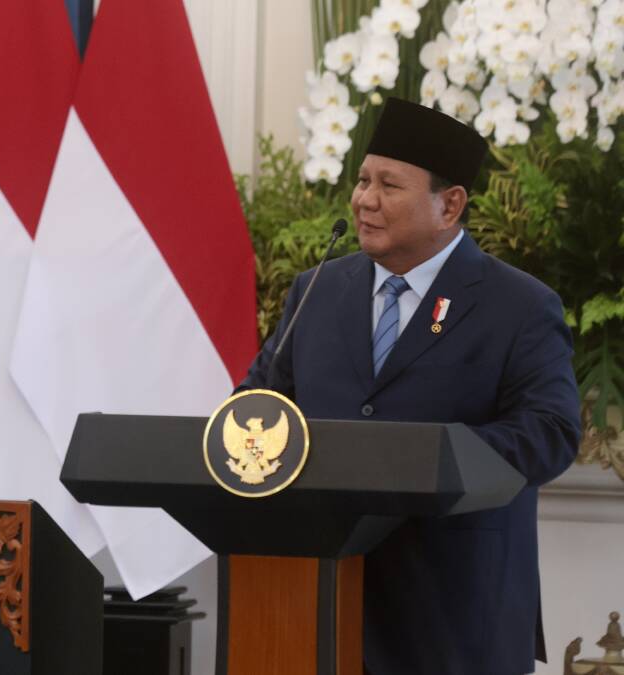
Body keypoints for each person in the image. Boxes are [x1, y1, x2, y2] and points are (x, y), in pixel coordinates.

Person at [239, 97, 580, 675]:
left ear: (449, 206)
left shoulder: (518, 306)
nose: (365, 200)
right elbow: (256, 407)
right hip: (315, 603)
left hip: (455, 613)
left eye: (389, 185)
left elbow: (551, 434)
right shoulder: (317, 290)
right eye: (363, 180)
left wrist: (427, 459)